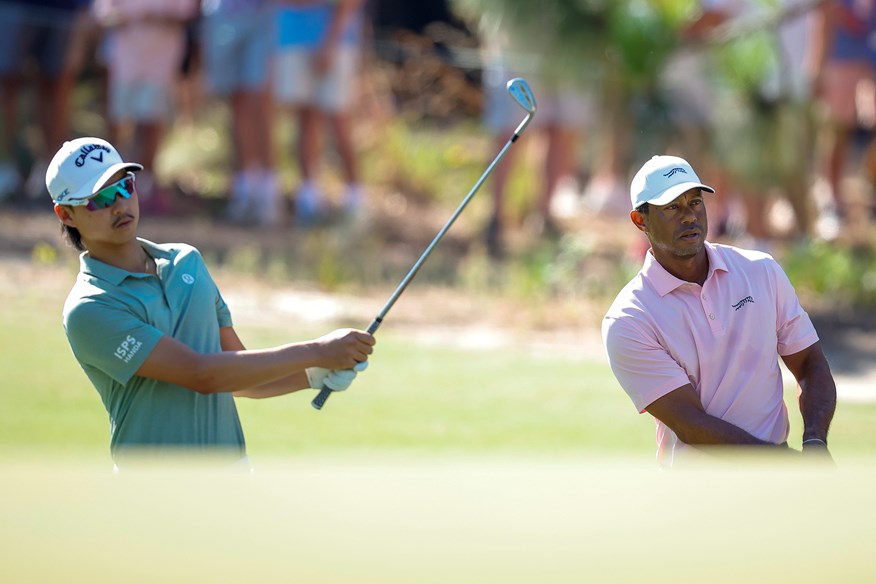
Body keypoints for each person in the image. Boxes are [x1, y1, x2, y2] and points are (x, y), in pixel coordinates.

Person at [46, 137, 375, 467]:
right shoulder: (90, 308)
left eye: (124, 187)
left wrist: (314, 373)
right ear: (67, 214)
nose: (119, 205)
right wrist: (317, 351)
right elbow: (202, 375)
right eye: (99, 199)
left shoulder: (186, 262)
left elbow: (234, 370)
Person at [602, 155, 837, 467]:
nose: (689, 216)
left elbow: (809, 363)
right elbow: (691, 423)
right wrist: (780, 463)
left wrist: (815, 442)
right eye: (672, 207)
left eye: (695, 202)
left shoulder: (760, 271)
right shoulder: (630, 319)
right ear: (640, 220)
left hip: (777, 477)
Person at [91, 0, 200, 214]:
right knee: (121, 122)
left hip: (162, 60)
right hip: (124, 60)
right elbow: (103, 13)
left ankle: (145, 183)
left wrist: (151, 14)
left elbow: (186, 11)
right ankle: (116, 182)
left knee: (151, 119)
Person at [273, 0, 367, 226]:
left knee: (339, 120)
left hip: (338, 42)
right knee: (304, 120)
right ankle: (309, 199)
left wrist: (330, 43)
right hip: (293, 38)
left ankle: (355, 200)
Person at [201, 0, 282, 226]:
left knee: (261, 102)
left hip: (263, 15)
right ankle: (245, 190)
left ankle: (269, 193)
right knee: (237, 104)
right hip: (223, 14)